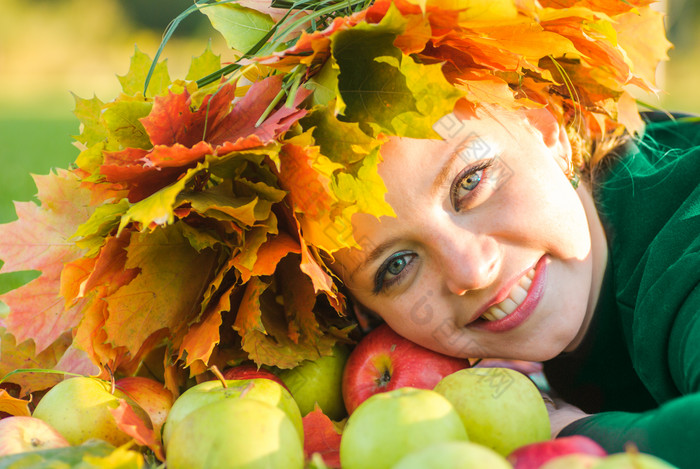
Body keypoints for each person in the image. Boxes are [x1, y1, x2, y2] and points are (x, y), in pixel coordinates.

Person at [0, 0, 696, 467]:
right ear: (356, 309)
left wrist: (571, 433)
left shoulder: (682, 235)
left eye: (471, 181)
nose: (470, 267)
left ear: (547, 124)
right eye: (395, 267)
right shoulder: (394, 354)